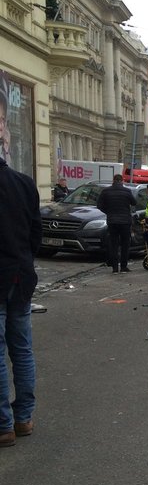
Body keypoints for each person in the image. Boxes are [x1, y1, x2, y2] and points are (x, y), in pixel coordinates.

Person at [0, 154, 41, 447]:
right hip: (22, 276)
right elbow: (36, 233)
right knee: (23, 350)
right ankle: (23, 418)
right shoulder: (25, 183)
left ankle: (3, 426)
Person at [96, 173, 137, 273]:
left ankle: (115, 268)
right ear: (122, 181)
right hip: (125, 222)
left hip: (112, 221)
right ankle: (123, 266)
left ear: (113, 180)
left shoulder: (106, 191)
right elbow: (134, 202)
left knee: (113, 244)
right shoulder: (127, 191)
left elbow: (99, 205)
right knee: (125, 244)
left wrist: (108, 212)